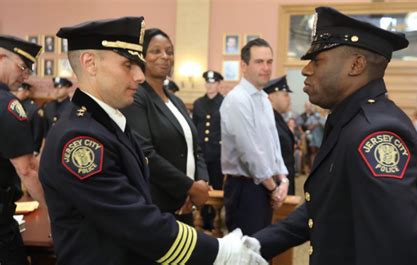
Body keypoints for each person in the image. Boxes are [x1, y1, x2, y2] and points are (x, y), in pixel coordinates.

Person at [39, 16, 267, 265]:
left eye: (138, 64)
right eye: (128, 65)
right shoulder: (80, 139)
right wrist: (220, 252)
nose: (139, 76)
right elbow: (133, 221)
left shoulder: (108, 122)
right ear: (90, 63)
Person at [244, 7, 417, 265]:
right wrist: (259, 243)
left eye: (317, 60)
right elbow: (329, 204)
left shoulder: (376, 133)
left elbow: (394, 248)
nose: (306, 70)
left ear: (356, 65)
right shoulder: (349, 121)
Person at [122, 28, 210, 226]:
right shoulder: (137, 97)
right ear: (141, 56)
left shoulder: (176, 100)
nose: (165, 57)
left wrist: (202, 182)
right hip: (157, 203)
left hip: (185, 202)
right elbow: (146, 154)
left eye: (169, 52)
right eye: (156, 51)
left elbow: (194, 148)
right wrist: (190, 188)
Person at [220, 38, 289, 235]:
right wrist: (273, 188)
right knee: (247, 254)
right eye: (259, 62)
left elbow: (273, 145)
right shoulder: (237, 99)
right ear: (244, 65)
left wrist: (283, 179)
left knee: (261, 252)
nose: (266, 68)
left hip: (264, 184)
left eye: (269, 62)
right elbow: (249, 151)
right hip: (245, 188)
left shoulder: (263, 99)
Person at [0, 35, 46, 265]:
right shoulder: (8, 104)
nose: (25, 76)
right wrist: (52, 211)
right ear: (1, 57)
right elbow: (26, 169)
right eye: (23, 67)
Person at [193, 70, 225, 230]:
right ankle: (203, 217)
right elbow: (195, 127)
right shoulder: (199, 103)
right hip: (202, 154)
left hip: (218, 154)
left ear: (219, 85)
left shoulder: (225, 102)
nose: (209, 86)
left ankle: (214, 220)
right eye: (207, 82)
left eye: (213, 83)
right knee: (202, 185)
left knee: (217, 187)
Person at [263, 75, 296, 195]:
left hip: (283, 183)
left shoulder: (277, 118)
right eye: (285, 95)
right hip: (275, 188)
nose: (289, 99)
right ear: (272, 96)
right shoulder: (267, 120)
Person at [14, 82, 45, 154]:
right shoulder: (13, 104)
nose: (16, 93)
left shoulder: (34, 109)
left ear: (27, 92)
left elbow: (37, 131)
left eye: (19, 90)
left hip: (27, 148)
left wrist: (35, 150)